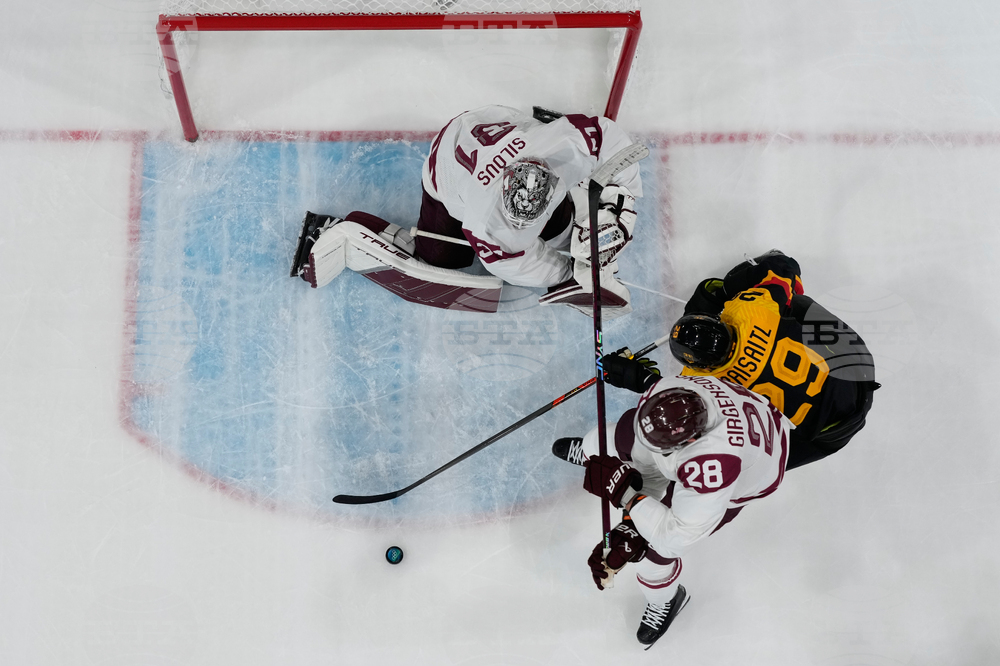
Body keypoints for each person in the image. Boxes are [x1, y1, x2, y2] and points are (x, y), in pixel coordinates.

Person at [288, 105, 643, 317]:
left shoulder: (557, 145)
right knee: (443, 260)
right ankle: (349, 228)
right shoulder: (487, 223)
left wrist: (618, 211)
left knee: (560, 224)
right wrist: (568, 275)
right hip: (447, 169)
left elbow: (614, 140)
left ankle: (561, 212)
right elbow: (515, 264)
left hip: (492, 124)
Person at [552, 373, 792, 647]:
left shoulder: (713, 467)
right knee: (612, 440)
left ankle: (665, 600)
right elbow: (647, 458)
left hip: (745, 477)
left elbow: (675, 537)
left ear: (688, 443)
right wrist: (630, 513)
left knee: (653, 556)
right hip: (743, 427)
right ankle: (590, 451)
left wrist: (626, 498)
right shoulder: (668, 392)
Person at [601, 250, 879, 470]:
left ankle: (623, 461)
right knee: (793, 301)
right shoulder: (751, 309)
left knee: (743, 455)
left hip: (833, 432)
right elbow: (784, 264)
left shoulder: (702, 382)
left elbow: (677, 417)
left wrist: (640, 378)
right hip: (856, 369)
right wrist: (721, 292)